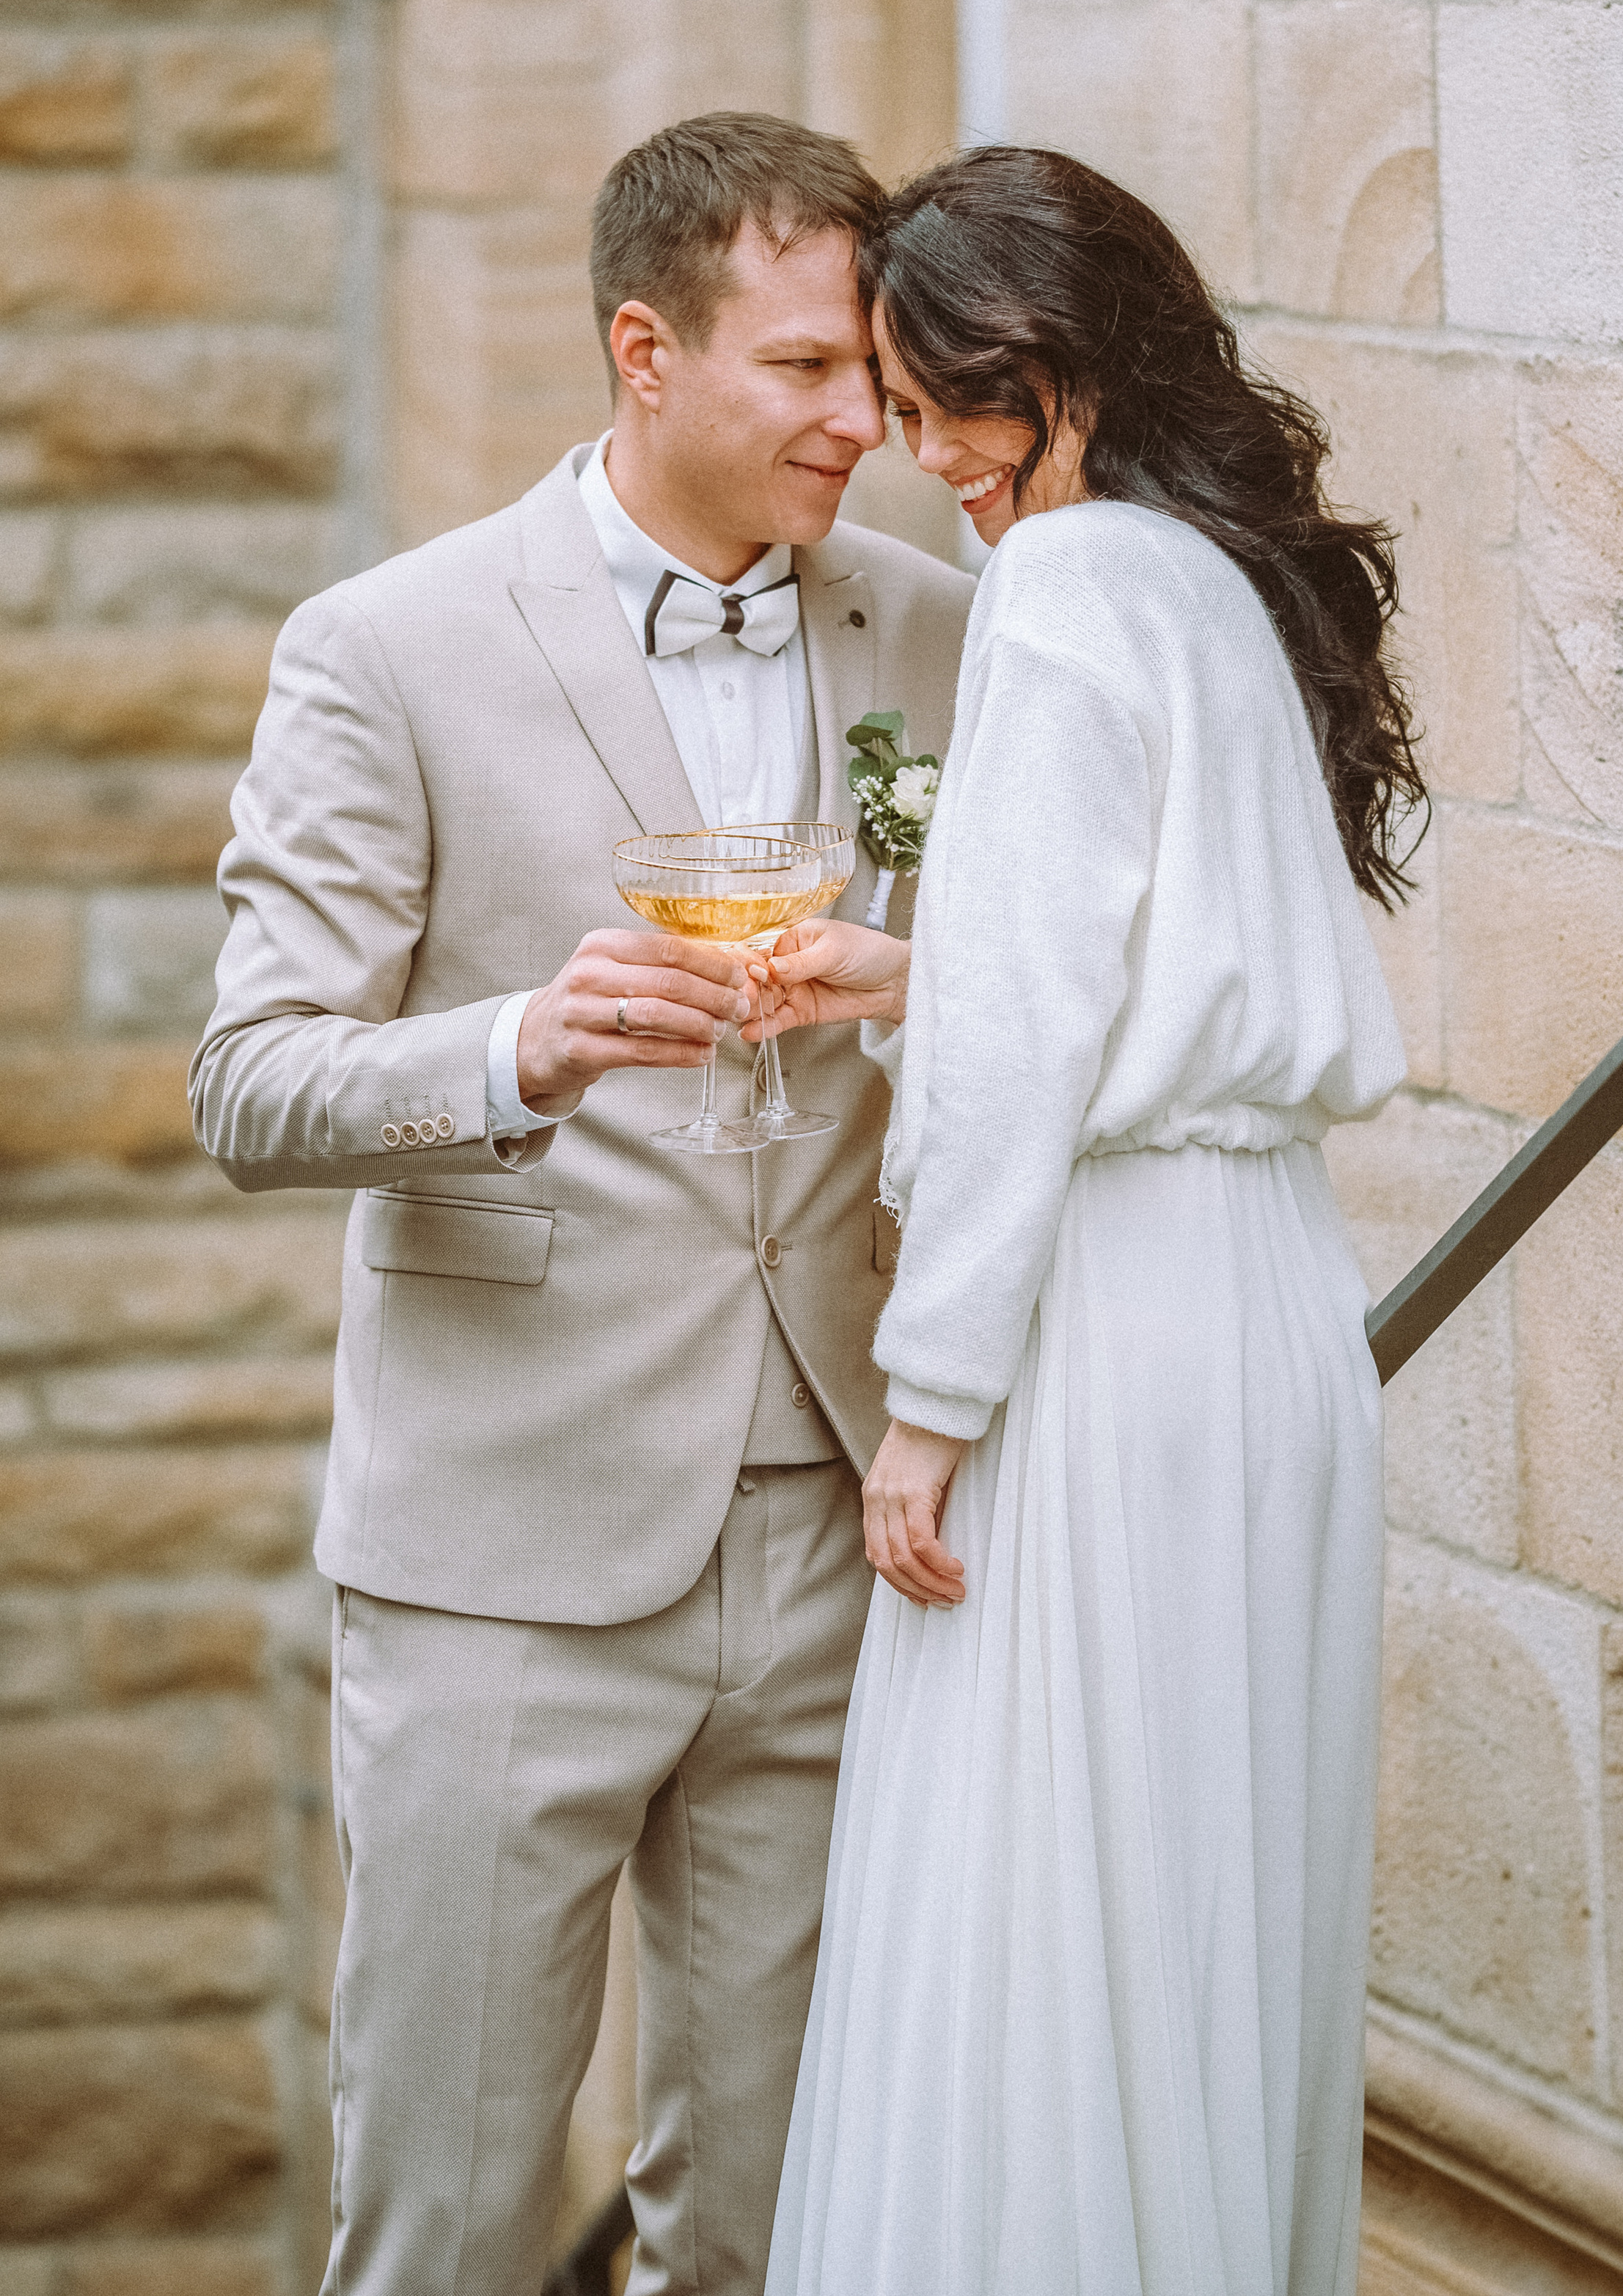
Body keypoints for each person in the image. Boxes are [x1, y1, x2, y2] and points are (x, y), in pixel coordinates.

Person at [189, 113, 975, 2296]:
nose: (863, 420)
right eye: (806, 370)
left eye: (874, 372)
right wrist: (516, 1049)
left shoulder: (942, 627)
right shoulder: (389, 644)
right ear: (647, 351)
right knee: (447, 2218)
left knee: (783, 2222)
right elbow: (249, 1082)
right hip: (502, 1557)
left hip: (842, 1532)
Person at [751, 147, 1422, 2296]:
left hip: (1108, 1314)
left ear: (1053, 364)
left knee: (1040, 1898)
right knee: (1205, 1894)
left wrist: (928, 1405)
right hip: (1266, 1297)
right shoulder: (1217, 580)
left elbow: (1039, 1041)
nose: (918, 453)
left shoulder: (1059, 584)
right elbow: (1150, 967)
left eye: (939, 399)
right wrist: (908, 975)